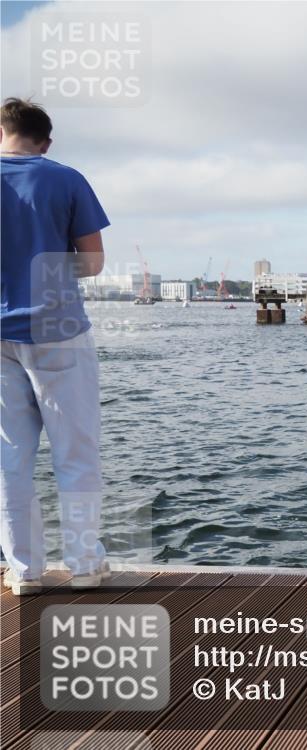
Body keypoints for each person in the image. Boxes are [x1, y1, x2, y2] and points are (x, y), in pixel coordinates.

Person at [1, 98, 110, 595]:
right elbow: (93, 263)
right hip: (59, 329)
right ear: (45, 142)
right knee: (75, 452)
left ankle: (24, 571)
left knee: (10, 458)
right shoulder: (66, 179)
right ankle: (84, 564)